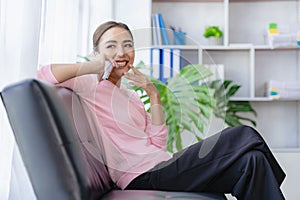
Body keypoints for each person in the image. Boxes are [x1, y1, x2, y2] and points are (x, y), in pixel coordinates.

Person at [37, 21, 286, 200]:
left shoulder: (131, 95)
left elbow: (158, 141)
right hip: (139, 176)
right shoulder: (90, 85)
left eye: (127, 45)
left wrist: (152, 93)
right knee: (242, 133)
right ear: (97, 53)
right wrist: (94, 66)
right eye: (111, 46)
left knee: (252, 162)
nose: (121, 52)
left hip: (162, 165)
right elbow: (44, 73)